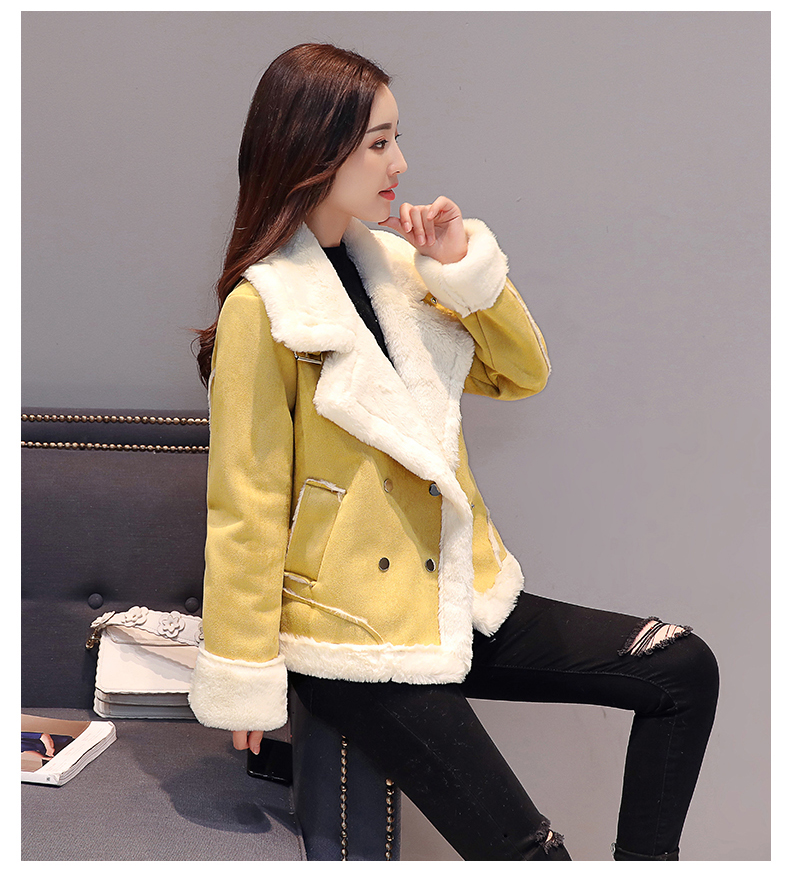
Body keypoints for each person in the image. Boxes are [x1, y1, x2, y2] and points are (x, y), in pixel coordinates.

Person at [189, 43, 719, 861]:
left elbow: (521, 375)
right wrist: (245, 676)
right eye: (377, 143)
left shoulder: (403, 271)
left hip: (457, 596)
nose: (399, 163)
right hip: (358, 638)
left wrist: (459, 271)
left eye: (396, 139)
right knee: (534, 857)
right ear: (312, 149)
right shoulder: (264, 309)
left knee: (681, 669)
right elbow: (246, 506)